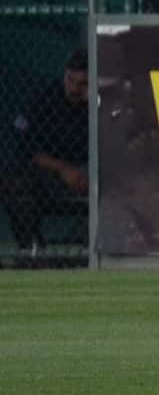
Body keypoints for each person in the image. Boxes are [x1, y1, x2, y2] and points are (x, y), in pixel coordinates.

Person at [4, 48, 89, 258]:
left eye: (82, 83)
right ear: (64, 75)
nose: (75, 89)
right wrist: (63, 170)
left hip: (92, 172)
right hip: (53, 174)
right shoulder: (47, 99)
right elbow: (25, 147)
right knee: (15, 183)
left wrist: (95, 103)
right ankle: (33, 250)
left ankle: (101, 249)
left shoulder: (101, 103)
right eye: (71, 80)